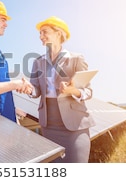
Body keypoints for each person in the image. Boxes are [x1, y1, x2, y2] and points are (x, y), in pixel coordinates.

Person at [29, 16, 95, 163]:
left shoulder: (77, 59)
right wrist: (29, 89)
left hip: (75, 126)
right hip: (49, 125)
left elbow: (88, 91)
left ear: (58, 33)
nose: (41, 36)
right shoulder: (38, 62)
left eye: (44, 32)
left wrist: (72, 91)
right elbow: (36, 90)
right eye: (40, 33)